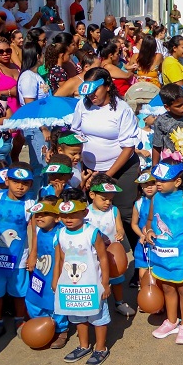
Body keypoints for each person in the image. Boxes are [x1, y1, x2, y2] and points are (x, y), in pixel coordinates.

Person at [70, 67, 141, 253]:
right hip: (90, 170)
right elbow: (75, 133)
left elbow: (128, 147)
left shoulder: (122, 109)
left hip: (122, 169)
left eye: (96, 90)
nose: (91, 95)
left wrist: (106, 177)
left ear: (107, 86)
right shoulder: (82, 105)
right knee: (94, 213)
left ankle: (137, 257)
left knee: (124, 213)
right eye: (88, 91)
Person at [142, 160, 183, 344]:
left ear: (177, 181)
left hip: (180, 255)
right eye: (156, 180)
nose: (158, 184)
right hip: (160, 254)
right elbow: (150, 221)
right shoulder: (156, 198)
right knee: (167, 286)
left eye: (163, 180)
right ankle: (172, 321)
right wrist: (149, 231)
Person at [53, 188, 111, 365]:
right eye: (64, 215)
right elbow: (60, 259)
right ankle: (83, 345)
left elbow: (103, 257)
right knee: (78, 316)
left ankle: (100, 348)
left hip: (93, 284)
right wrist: (56, 280)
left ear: (84, 212)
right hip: (72, 286)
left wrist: (105, 283)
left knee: (98, 317)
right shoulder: (60, 233)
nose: (68, 219)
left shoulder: (91, 232)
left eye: (73, 214)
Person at [0, 163, 35, 344]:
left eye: (25, 183)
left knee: (19, 291)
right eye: (16, 182)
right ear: (7, 181)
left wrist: (33, 254)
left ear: (31, 185)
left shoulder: (30, 204)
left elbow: (33, 231)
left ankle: (19, 319)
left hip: (19, 258)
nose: (20, 187)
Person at [85, 173, 135, 317]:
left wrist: (120, 233)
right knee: (95, 278)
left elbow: (120, 227)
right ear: (92, 195)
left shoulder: (114, 210)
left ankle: (119, 303)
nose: (108, 202)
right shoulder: (86, 213)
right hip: (94, 254)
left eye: (111, 199)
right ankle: (95, 302)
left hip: (112, 253)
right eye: (104, 199)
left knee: (117, 279)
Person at [25, 196, 68, 349]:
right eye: (37, 214)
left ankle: (61, 329)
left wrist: (58, 277)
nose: (40, 217)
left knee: (54, 302)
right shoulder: (38, 228)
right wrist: (32, 255)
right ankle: (41, 324)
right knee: (32, 298)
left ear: (57, 217)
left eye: (45, 214)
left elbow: (62, 257)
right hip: (40, 272)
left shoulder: (60, 233)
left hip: (54, 274)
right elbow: (35, 241)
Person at [17, 43, 50, 186]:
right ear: (37, 56)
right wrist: (43, 128)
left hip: (41, 125)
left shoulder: (35, 76)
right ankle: (36, 195)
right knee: (40, 166)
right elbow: (30, 105)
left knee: (45, 163)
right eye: (42, 54)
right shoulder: (28, 77)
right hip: (36, 127)